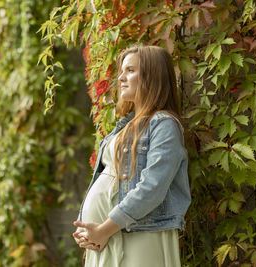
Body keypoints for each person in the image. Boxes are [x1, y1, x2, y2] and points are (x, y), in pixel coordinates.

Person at [72, 45, 191, 267]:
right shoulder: (126, 125)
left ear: (151, 76)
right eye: (122, 71)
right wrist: (89, 229)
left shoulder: (164, 125)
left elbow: (153, 187)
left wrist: (104, 229)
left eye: (130, 71)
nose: (121, 78)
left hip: (137, 233)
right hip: (107, 236)